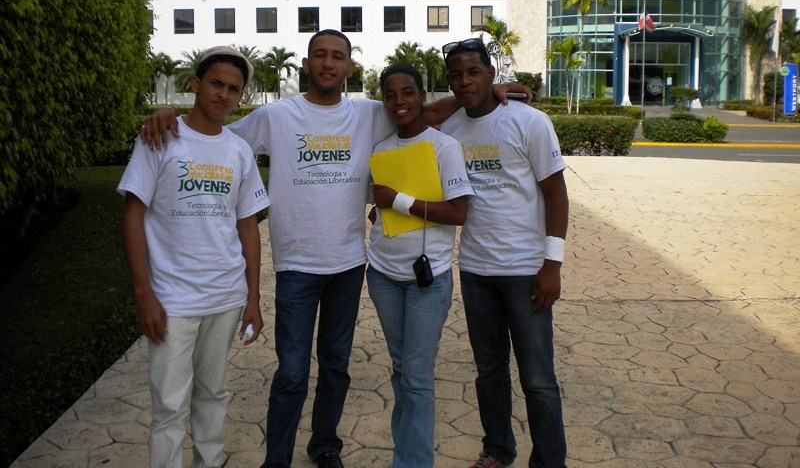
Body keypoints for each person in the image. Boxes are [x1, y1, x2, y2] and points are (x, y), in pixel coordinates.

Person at [142, 29, 529, 468]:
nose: (329, 63)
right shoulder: (277, 116)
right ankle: (277, 460)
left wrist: (487, 91)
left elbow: (422, 109)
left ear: (349, 67)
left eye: (338, 56)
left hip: (348, 266)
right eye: (320, 55)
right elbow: (215, 131)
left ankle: (325, 446)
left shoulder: (369, 113)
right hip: (295, 267)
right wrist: (170, 114)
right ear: (306, 65)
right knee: (291, 373)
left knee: (335, 367)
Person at [118, 46, 270, 468]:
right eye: (217, 83)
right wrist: (144, 294)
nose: (224, 94)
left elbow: (248, 226)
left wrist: (253, 297)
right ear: (196, 84)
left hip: (225, 296)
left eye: (234, 89)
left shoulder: (238, 150)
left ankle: (210, 461)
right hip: (173, 299)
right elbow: (132, 216)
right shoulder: (159, 138)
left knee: (213, 393)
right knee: (169, 405)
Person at [439, 38, 569, 468]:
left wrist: (552, 263)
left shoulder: (529, 122)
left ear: (491, 75)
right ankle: (497, 450)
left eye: (474, 72)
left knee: (538, 379)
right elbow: (417, 118)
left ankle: (549, 461)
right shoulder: (450, 129)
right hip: (476, 269)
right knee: (489, 373)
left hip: (526, 270)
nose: (465, 81)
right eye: (456, 75)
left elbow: (555, 192)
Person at [366, 64, 473, 468]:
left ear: (422, 96)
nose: (399, 101)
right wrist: (384, 210)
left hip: (427, 281)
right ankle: (407, 455)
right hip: (382, 275)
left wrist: (398, 202)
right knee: (402, 371)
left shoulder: (444, 147)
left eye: (407, 92)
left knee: (415, 376)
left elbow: (459, 212)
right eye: (390, 95)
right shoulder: (380, 149)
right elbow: (378, 204)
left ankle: (412, 462)